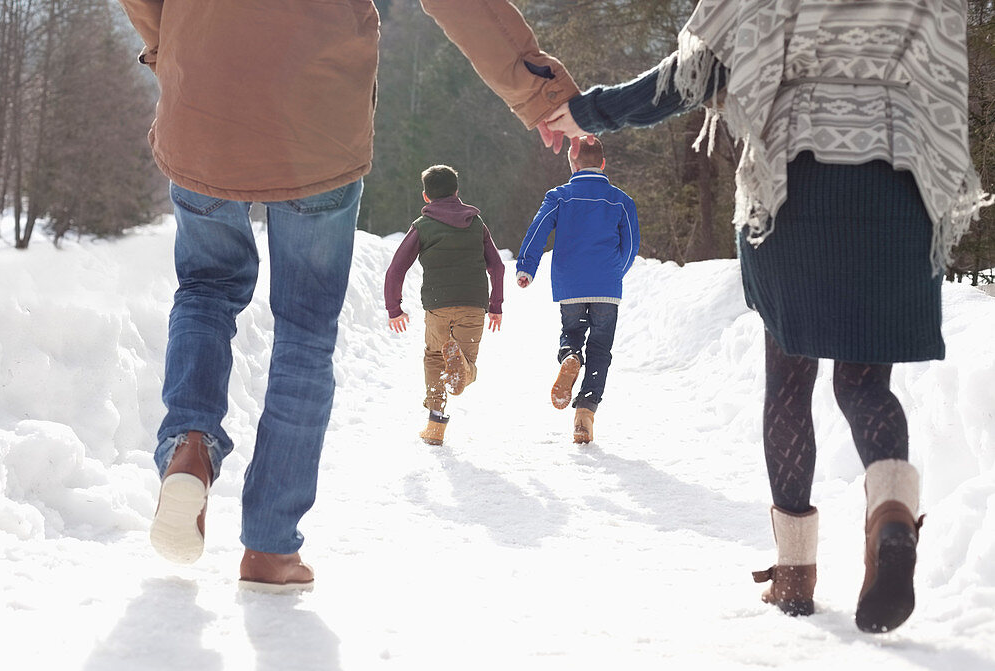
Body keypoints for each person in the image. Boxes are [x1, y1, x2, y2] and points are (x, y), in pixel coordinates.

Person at [538, 0, 991, 631]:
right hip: (899, 187)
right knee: (864, 384)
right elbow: (943, 80)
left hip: (793, 188)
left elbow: (690, 75)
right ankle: (892, 514)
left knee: (790, 376)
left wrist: (589, 111)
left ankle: (795, 575)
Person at [116, 0, 580, 590]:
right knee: (305, 330)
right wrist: (539, 92)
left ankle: (189, 447)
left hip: (202, 108)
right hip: (317, 125)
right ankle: (269, 548)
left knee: (206, 289)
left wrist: (173, 52)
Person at [515, 137, 640, 444]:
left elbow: (538, 229)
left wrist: (526, 267)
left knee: (572, 331)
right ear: (603, 163)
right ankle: (585, 413)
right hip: (606, 286)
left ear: (572, 163)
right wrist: (615, 272)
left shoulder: (560, 196)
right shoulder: (621, 200)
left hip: (570, 283)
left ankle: (570, 356)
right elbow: (631, 244)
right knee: (600, 349)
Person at [384, 165, 505, 446]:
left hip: (437, 306)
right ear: (457, 192)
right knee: (467, 365)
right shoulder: (476, 224)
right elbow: (497, 266)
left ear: (426, 196)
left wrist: (394, 309)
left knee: (434, 358)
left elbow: (396, 269)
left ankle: (435, 424)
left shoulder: (422, 226)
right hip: (473, 305)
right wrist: (495, 305)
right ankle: (461, 366)